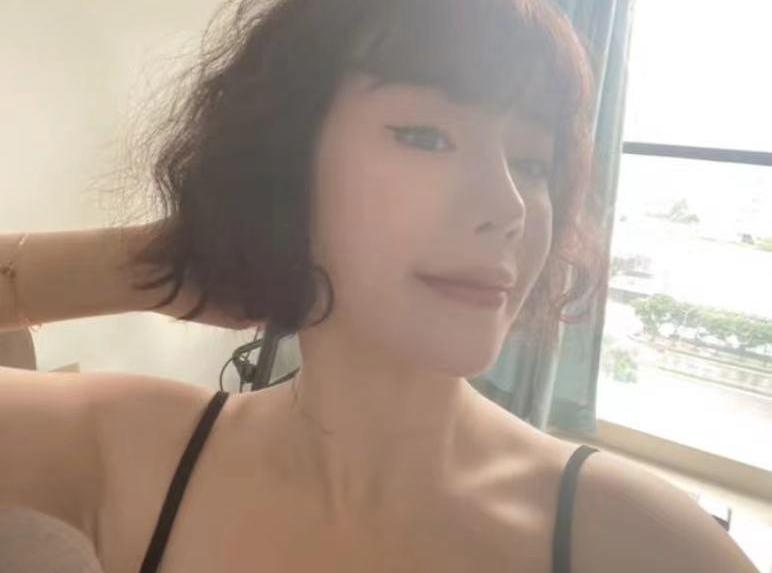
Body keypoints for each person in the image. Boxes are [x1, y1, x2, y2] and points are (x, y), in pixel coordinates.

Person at [0, 0, 759, 572]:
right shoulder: (136, 450)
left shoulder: (636, 539)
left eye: (532, 162)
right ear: (283, 166)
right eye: (427, 136)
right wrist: (167, 261)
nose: (508, 208)